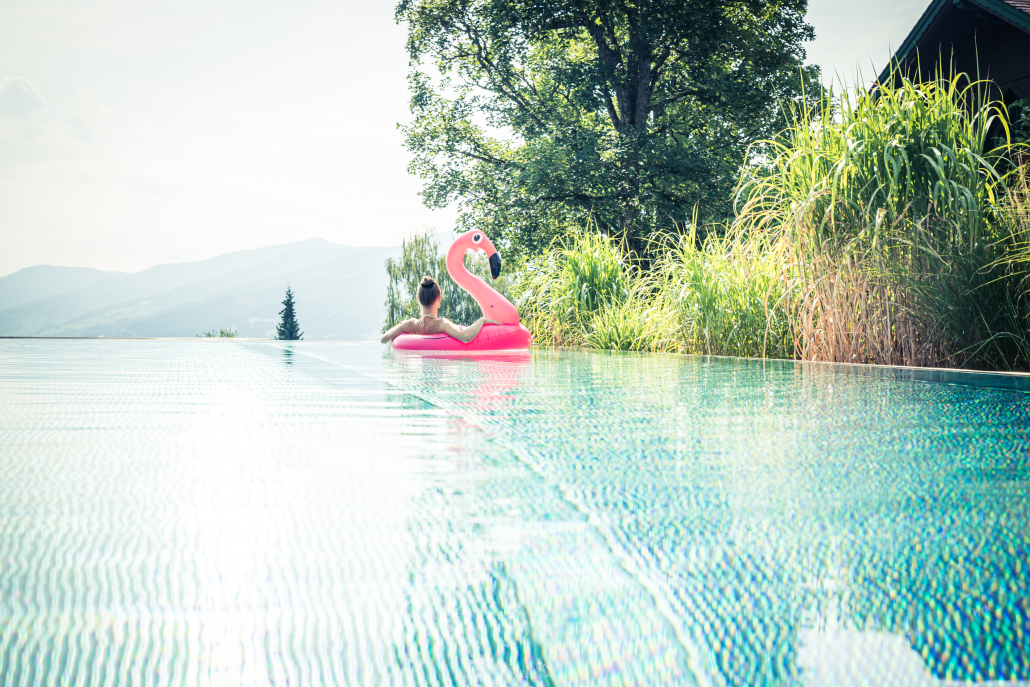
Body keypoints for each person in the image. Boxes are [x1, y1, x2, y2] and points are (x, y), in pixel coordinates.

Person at [380, 276, 502, 344]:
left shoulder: (410, 325)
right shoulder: (441, 324)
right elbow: (466, 336)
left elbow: (384, 339)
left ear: (418, 299)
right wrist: (482, 321)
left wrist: (400, 326)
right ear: (439, 299)